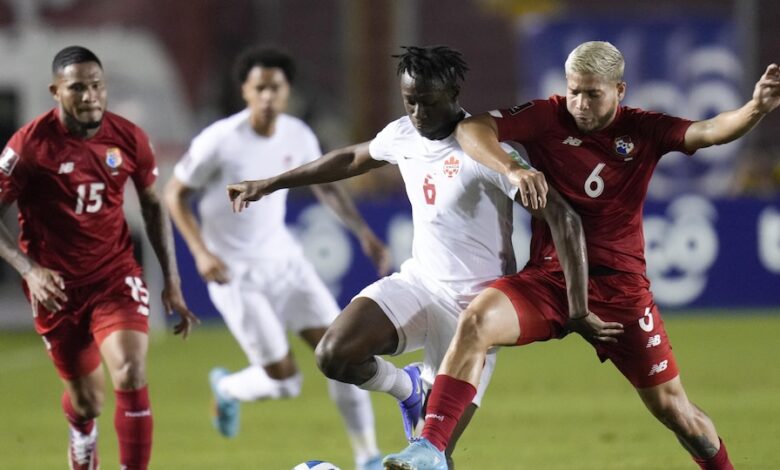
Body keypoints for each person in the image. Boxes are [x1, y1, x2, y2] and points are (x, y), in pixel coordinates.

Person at [384, 41, 780, 470]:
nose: (579, 103)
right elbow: (471, 130)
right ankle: (430, 448)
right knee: (476, 320)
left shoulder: (644, 129)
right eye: (574, 90)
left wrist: (755, 108)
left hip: (619, 294)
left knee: (675, 411)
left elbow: (709, 130)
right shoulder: (548, 116)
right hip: (550, 281)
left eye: (592, 93)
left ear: (620, 90)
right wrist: (513, 168)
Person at [227, 45, 619, 468]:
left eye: (428, 102)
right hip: (418, 284)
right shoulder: (403, 134)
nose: (417, 113)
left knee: (431, 458)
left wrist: (577, 307)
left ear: (453, 93)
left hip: (474, 313)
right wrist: (270, 183)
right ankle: (408, 387)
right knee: (333, 354)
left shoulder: (485, 151)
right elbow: (351, 158)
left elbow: (563, 219)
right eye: (409, 100)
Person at [164, 46, 389, 470]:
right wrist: (199, 252)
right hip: (235, 274)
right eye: (260, 88)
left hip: (287, 264)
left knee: (346, 354)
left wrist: (362, 232)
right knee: (284, 383)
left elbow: (326, 186)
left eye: (276, 88)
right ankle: (228, 389)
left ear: (287, 91)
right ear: (245, 91)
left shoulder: (298, 134)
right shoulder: (219, 140)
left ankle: (368, 458)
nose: (268, 96)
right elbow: (174, 194)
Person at [0, 46, 198, 470]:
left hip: (114, 276)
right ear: (56, 91)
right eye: (77, 87)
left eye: (97, 86)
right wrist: (29, 270)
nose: (90, 95)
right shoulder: (29, 146)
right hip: (55, 290)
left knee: (129, 370)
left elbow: (152, 205)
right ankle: (81, 431)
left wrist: (173, 281)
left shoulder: (128, 138)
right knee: (88, 401)